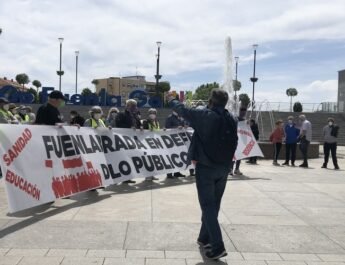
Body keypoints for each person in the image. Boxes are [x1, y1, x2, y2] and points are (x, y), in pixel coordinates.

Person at [168, 89, 238, 260]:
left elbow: (183, 110)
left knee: (207, 206)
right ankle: (204, 238)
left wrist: (172, 100)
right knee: (214, 205)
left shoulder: (205, 116)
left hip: (206, 167)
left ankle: (217, 246)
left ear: (211, 101)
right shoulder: (230, 118)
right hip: (224, 167)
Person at [116, 99, 142, 184]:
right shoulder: (121, 114)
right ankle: (123, 177)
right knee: (124, 158)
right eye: (133, 106)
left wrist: (140, 127)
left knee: (131, 158)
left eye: (135, 106)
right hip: (124, 140)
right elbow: (118, 125)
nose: (135, 108)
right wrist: (129, 127)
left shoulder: (135, 115)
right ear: (127, 106)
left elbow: (138, 124)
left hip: (133, 140)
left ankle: (128, 177)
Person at [165, 110, 186, 178]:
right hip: (171, 140)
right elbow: (167, 127)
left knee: (178, 156)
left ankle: (177, 172)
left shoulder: (180, 117)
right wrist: (176, 128)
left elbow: (183, 125)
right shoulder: (169, 118)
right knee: (171, 157)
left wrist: (184, 126)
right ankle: (169, 174)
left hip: (179, 140)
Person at [142, 108, 160, 181]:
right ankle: (147, 176)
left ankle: (153, 175)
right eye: (151, 113)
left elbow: (158, 131)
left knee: (154, 160)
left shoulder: (157, 122)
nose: (152, 115)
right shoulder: (145, 122)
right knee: (148, 160)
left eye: (154, 113)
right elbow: (143, 131)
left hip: (155, 143)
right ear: (149, 114)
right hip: (147, 143)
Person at [230, 107, 246, 175]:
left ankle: (235, 169)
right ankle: (232, 169)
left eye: (244, 112)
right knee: (234, 155)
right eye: (242, 112)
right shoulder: (236, 118)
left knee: (238, 156)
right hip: (236, 140)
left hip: (240, 140)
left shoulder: (243, 120)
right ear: (240, 111)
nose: (243, 113)